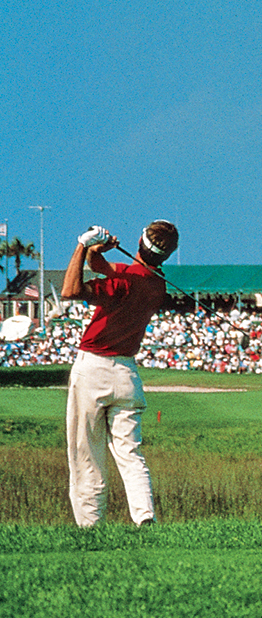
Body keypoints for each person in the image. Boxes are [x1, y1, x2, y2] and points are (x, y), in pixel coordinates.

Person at [61, 220, 179, 527]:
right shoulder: (157, 284)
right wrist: (98, 250)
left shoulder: (125, 280)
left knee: (87, 453)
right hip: (127, 374)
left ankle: (90, 525)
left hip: (93, 369)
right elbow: (102, 265)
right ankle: (145, 517)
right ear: (167, 255)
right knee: (130, 454)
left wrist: (81, 244)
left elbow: (70, 291)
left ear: (139, 242)